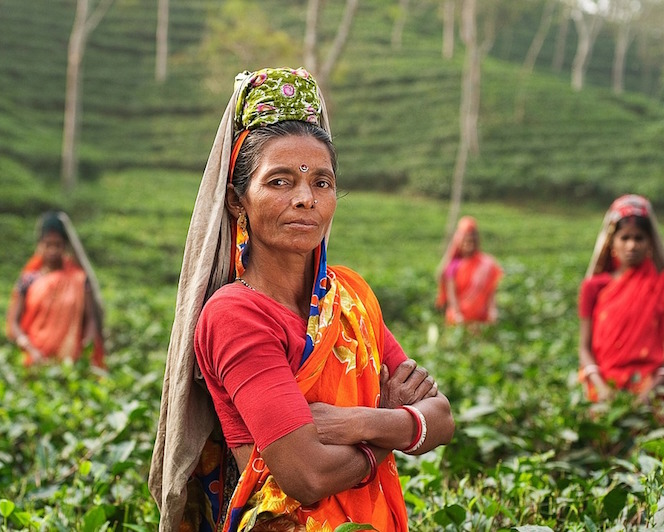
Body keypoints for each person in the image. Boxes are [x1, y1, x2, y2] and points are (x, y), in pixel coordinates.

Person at [149, 67, 455, 532]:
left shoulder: (350, 294)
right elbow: (306, 475)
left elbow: (444, 418)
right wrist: (392, 427)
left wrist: (353, 423)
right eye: (279, 181)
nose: (305, 199)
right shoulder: (236, 314)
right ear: (237, 201)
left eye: (322, 182)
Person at [578, 194, 664, 404]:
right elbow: (584, 347)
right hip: (604, 390)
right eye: (625, 238)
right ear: (612, 243)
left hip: (652, 390)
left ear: (650, 244)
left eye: (639, 238)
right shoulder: (594, 288)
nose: (631, 245)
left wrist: (653, 389)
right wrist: (600, 387)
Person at [6, 211, 106, 368]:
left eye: (57, 245)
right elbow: (13, 322)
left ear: (65, 246)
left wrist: (86, 350)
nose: (53, 250)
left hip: (71, 361)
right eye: (48, 245)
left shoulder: (79, 279)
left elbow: (91, 319)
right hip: (33, 358)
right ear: (40, 245)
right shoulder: (28, 280)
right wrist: (28, 347)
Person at [435, 216, 503, 325]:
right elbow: (451, 294)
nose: (468, 245)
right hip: (459, 318)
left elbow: (491, 292)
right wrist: (457, 314)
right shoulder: (453, 265)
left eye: (471, 241)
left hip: (481, 318)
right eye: (465, 241)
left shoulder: (486, 264)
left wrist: (492, 311)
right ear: (459, 242)